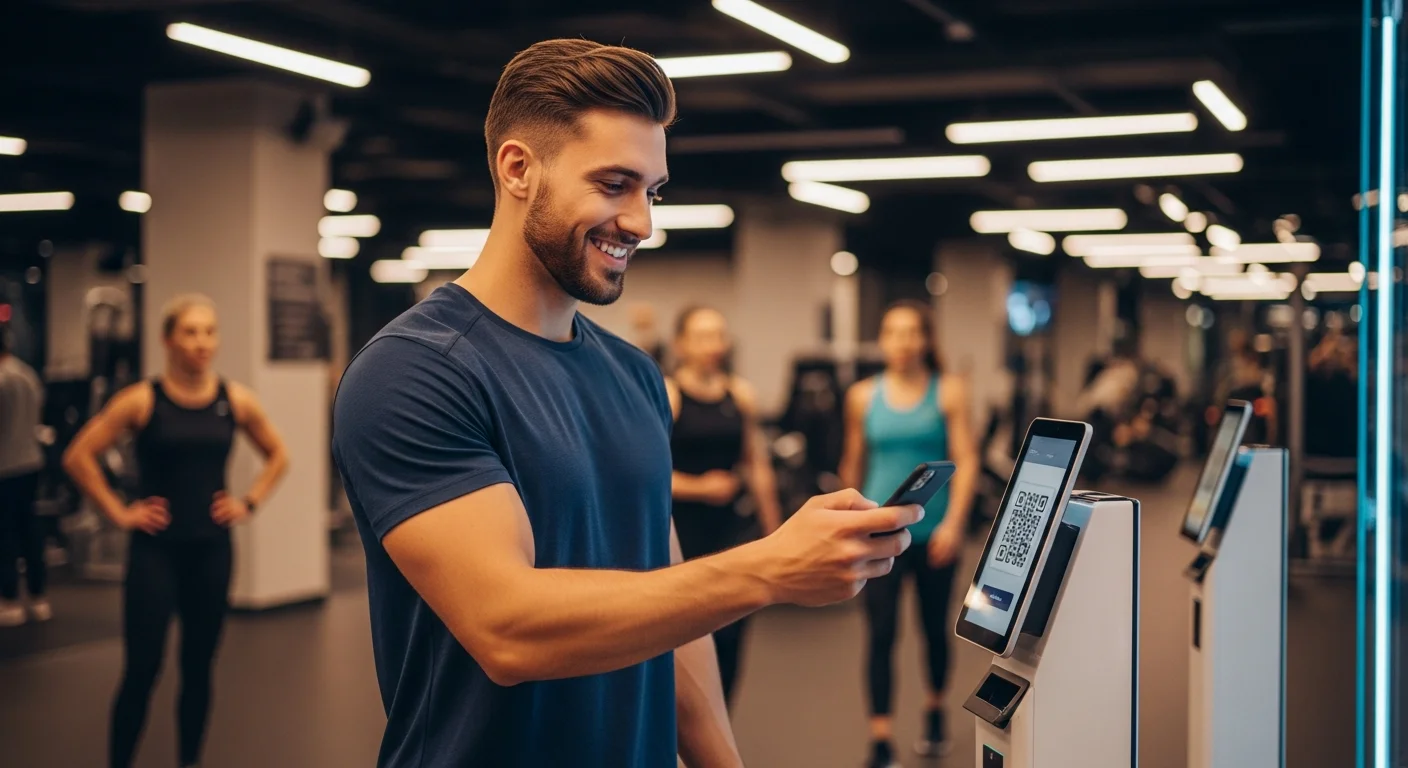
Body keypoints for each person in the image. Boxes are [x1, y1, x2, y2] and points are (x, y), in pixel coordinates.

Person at [331, 39, 921, 768]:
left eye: (654, 190)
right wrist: (764, 568)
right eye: (615, 184)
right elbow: (508, 629)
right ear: (518, 169)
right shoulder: (416, 373)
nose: (642, 222)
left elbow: (669, 604)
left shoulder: (635, 377)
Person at [62, 294, 288, 768]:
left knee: (199, 668)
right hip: (155, 553)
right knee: (143, 669)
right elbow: (79, 456)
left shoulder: (235, 400)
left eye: (209, 331)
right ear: (168, 339)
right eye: (190, 332)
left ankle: (189, 761)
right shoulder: (142, 401)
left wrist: (247, 502)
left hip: (212, 550)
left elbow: (278, 456)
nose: (202, 342)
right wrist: (120, 513)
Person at [839, 300, 980, 768]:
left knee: (933, 630)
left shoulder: (950, 392)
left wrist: (955, 525)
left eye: (911, 332)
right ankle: (880, 740)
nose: (902, 342)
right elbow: (852, 465)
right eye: (892, 332)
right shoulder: (862, 396)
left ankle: (934, 711)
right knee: (880, 634)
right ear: (882, 340)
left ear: (925, 339)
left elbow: (967, 460)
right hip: (879, 532)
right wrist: (848, 522)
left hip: (934, 534)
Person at [665, 305, 783, 708]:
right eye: (701, 336)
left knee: (730, 638)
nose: (713, 345)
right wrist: (699, 487)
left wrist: (776, 535)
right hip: (682, 533)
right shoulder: (669, 395)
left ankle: (719, 727)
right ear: (681, 344)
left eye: (718, 335)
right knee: (688, 639)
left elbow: (757, 465)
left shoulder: (740, 393)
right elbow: (648, 473)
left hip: (731, 531)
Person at [0, 325, 49, 627]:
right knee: (29, 528)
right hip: (31, 462)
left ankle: (9, 600)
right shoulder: (27, 374)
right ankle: (38, 596)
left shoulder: (4, 379)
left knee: (5, 533)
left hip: (5, 466)